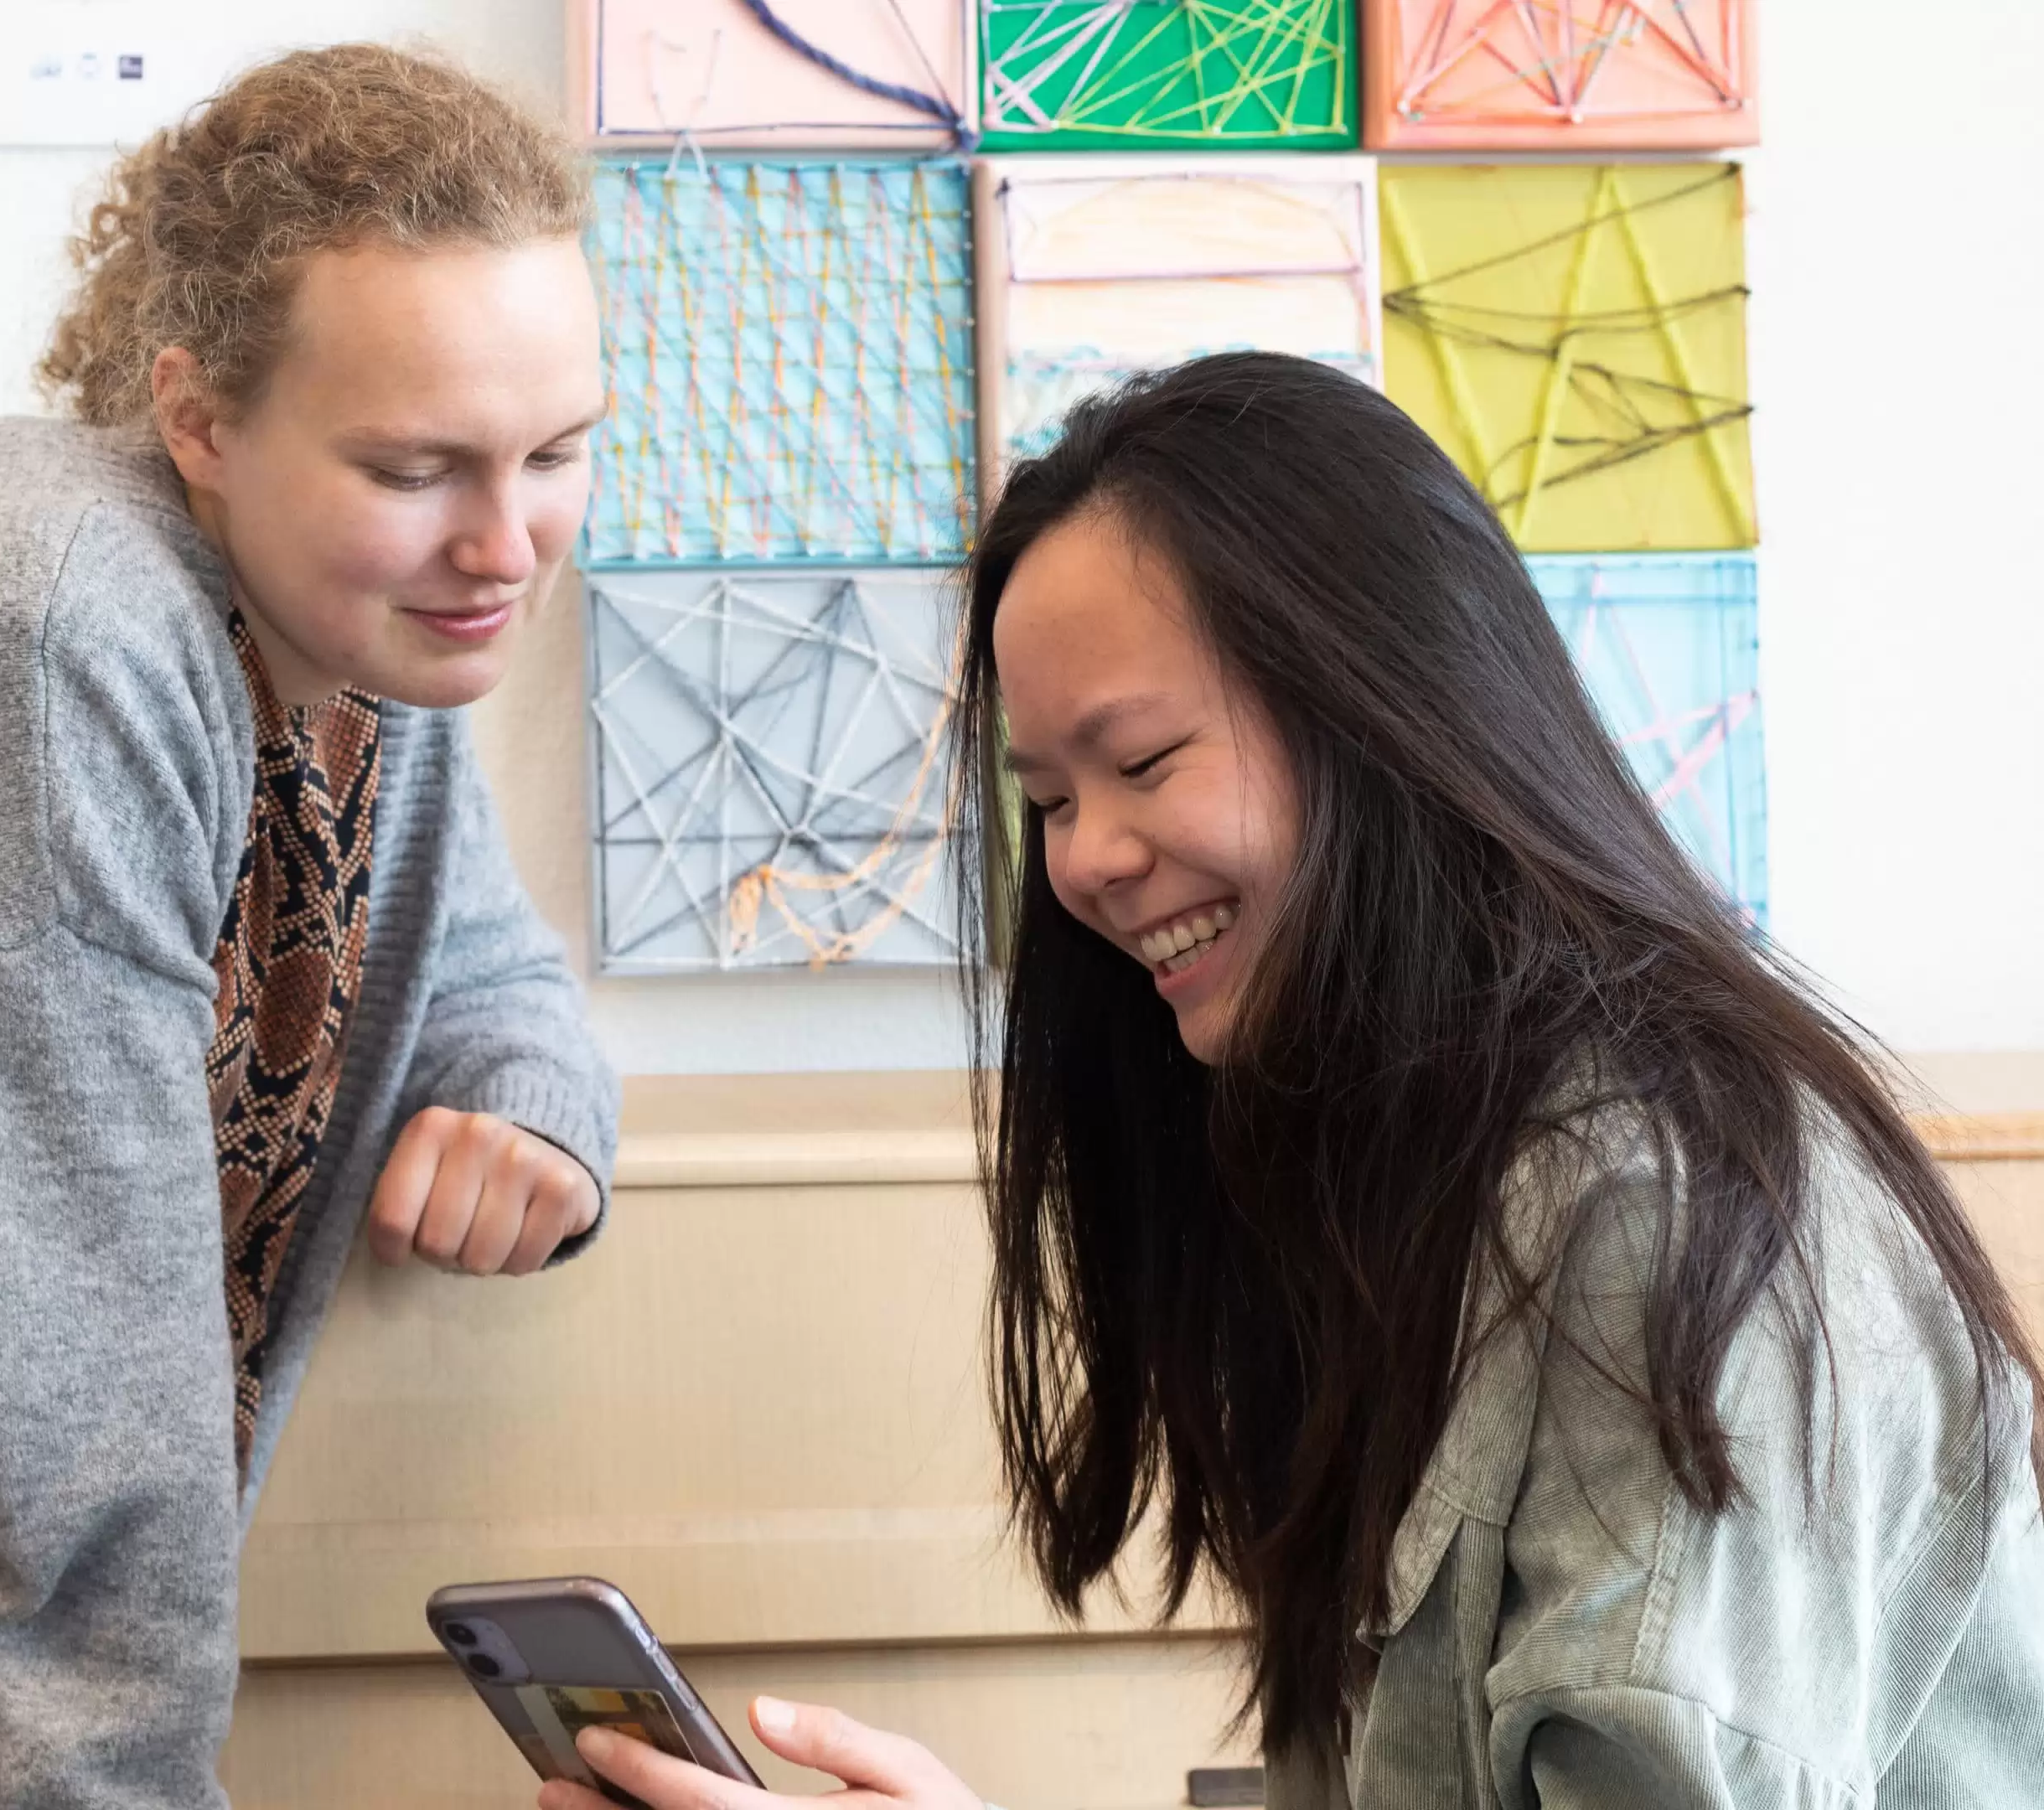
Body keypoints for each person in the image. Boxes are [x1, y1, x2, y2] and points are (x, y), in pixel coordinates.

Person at [544, 354, 2044, 1809]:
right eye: (1051, 799)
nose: (1083, 861)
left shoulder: (1656, 1224)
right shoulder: (1398, 1168)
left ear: (1383, 699)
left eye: (1143, 761)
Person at [0, 44, 618, 1807]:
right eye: (416, 466)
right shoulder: (32, 637)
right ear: (198, 417)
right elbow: (102, 1367)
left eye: (558, 452)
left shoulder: (354, 646)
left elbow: (485, 966)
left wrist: (530, 1110)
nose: (504, 545)